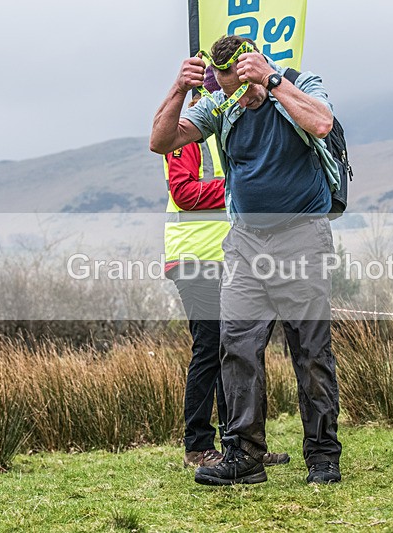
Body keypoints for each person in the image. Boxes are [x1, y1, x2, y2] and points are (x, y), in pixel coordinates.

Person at [151, 35, 342, 485]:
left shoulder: (298, 83)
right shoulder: (221, 105)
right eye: (224, 87)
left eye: (238, 84)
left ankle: (322, 454)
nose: (233, 95)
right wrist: (179, 89)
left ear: (254, 66)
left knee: (310, 350)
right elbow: (161, 142)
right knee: (235, 345)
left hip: (302, 237)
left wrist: (272, 81)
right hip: (244, 243)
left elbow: (321, 124)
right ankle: (244, 456)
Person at [163, 69, 290, 470]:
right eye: (212, 93)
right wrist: (242, 185)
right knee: (210, 347)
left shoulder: (229, 134)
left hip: (231, 258)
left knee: (238, 347)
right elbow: (182, 192)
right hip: (194, 257)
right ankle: (198, 445)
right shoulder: (188, 137)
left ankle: (243, 445)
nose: (220, 99)